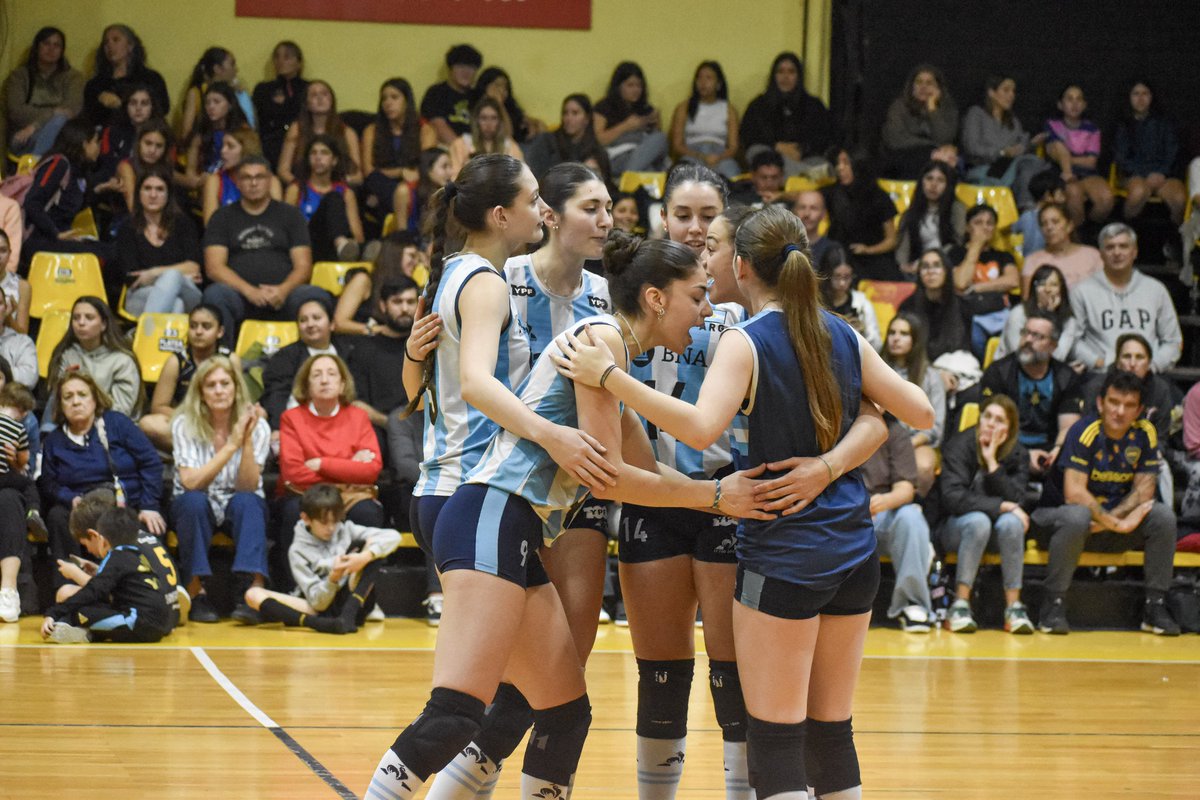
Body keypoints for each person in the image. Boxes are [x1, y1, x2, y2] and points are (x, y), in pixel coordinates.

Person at [366, 212, 770, 800]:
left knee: (564, 713)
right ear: (656, 299)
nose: (707, 311)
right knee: (455, 712)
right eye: (697, 296)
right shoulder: (602, 341)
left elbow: (642, 469)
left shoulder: (613, 355)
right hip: (488, 516)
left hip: (515, 529)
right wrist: (712, 494)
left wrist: (711, 496)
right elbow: (611, 481)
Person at [550, 204, 934, 800]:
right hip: (854, 552)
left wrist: (612, 378)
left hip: (784, 550)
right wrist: (830, 466)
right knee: (832, 733)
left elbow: (701, 431)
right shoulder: (842, 332)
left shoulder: (746, 340)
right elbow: (919, 412)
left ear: (742, 266)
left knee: (776, 740)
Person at [376, 154, 617, 798]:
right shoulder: (488, 280)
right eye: (538, 199)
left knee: (560, 710)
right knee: (457, 712)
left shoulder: (465, 272)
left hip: (495, 497)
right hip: (472, 491)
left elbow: (432, 384)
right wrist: (552, 433)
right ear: (501, 214)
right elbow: (470, 384)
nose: (543, 209)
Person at [1031, 370, 1180, 636]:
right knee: (1076, 516)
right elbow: (1073, 493)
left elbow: (1144, 492)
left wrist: (1111, 521)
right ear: (1101, 403)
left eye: (1129, 405)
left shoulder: (1145, 433)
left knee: (1162, 517)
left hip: (1104, 526)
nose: (1120, 411)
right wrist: (1112, 521)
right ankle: (1052, 606)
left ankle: (1155, 606)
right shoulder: (1083, 430)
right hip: (1058, 523)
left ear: (1140, 410)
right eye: (1114, 402)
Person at [38, 373, 164, 587]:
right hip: (80, 505)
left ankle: (155, 588)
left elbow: (151, 462)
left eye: (82, 395)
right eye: (67, 397)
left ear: (95, 399)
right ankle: (70, 588)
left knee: (148, 520)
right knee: (58, 516)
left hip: (123, 502)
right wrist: (72, 499)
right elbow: (48, 483)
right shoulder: (54, 441)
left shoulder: (117, 423)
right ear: (60, 405)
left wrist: (149, 505)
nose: (76, 401)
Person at [170, 356, 270, 624]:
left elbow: (248, 485)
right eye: (211, 385)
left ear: (236, 388)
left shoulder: (258, 425)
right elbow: (191, 482)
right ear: (200, 393)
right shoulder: (184, 424)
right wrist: (231, 445)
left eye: (225, 383)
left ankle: (248, 592)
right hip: (197, 498)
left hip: (236, 498)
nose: (219, 390)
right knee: (192, 502)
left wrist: (246, 441)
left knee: (249, 502)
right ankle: (196, 592)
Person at [277, 354, 384, 588]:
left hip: (352, 496)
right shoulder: (291, 418)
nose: (324, 380)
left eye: (331, 374)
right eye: (317, 375)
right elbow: (294, 473)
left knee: (368, 513)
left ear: (343, 384)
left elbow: (371, 471)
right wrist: (349, 465)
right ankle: (298, 588)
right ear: (306, 385)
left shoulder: (358, 416)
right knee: (291, 512)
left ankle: (362, 592)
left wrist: (322, 463)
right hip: (308, 495)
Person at [201, 155, 331, 348]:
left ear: (270, 181)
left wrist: (283, 290)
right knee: (215, 295)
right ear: (237, 182)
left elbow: (303, 266)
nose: (254, 183)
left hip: (284, 297)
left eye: (259, 177)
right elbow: (214, 267)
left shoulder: (291, 215)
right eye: (246, 178)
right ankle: (223, 362)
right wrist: (249, 291)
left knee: (315, 296)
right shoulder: (221, 218)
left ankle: (316, 362)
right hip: (239, 296)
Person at [937, 394, 1035, 634]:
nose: (991, 423)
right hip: (957, 529)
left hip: (998, 533)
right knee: (979, 521)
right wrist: (1001, 505)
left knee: (1012, 523)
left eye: (1000, 420)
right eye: (987, 416)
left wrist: (993, 464)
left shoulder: (1017, 453)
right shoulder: (959, 445)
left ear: (1010, 428)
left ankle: (1014, 607)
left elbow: (1020, 499)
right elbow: (953, 498)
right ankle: (959, 605)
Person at [244, 484, 400, 633]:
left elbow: (394, 536)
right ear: (306, 518)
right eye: (324, 522)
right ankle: (320, 625)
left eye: (335, 521)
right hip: (317, 605)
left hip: (350, 599)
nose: (331, 528)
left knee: (373, 546)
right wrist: (332, 579)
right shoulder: (298, 550)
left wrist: (364, 557)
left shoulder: (346, 529)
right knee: (253, 595)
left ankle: (348, 615)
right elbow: (318, 603)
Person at [41, 500, 180, 643]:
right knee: (94, 610)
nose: (88, 550)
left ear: (100, 538)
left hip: (141, 623)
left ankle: (69, 627)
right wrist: (99, 571)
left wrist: (54, 613)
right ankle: (87, 633)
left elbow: (94, 591)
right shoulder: (135, 553)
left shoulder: (116, 556)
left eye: (85, 545)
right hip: (162, 618)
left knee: (79, 612)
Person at [980, 309, 1084, 477]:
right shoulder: (998, 372)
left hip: (1050, 451)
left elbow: (1068, 427)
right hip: (1005, 448)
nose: (1028, 340)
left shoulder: (1066, 377)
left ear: (1053, 346)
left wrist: (1056, 451)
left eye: (1038, 336)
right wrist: (1023, 456)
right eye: (1025, 333)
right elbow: (990, 425)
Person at [1070, 223, 1181, 372]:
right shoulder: (1081, 291)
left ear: (1134, 252)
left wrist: (1152, 366)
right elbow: (1071, 339)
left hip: (1147, 376)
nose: (1117, 252)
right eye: (1110, 247)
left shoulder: (1156, 289)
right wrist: (1096, 362)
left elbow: (1173, 341)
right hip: (1101, 376)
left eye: (1123, 246)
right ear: (1101, 254)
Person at [862, 415, 935, 632]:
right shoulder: (838, 424)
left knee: (911, 517)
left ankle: (913, 604)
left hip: (882, 512)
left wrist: (882, 503)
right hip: (846, 509)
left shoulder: (896, 431)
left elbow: (905, 490)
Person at [139, 303, 238, 451]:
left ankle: (201, 451)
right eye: (193, 326)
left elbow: (239, 401)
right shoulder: (176, 361)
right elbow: (158, 407)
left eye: (206, 326)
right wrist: (193, 416)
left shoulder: (231, 359)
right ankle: (204, 451)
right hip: (188, 422)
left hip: (222, 423)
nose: (198, 332)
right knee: (148, 423)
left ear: (220, 332)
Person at [20, 117, 108, 272]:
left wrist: (101, 189)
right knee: (101, 255)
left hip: (60, 239)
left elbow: (72, 206)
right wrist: (56, 233)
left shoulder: (80, 172)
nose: (99, 148)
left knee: (112, 252)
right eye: (96, 142)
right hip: (38, 240)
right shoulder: (59, 164)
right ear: (84, 143)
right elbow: (32, 203)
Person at [113, 168, 203, 316]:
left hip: (188, 293)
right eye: (147, 188)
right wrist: (180, 274)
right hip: (141, 296)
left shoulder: (184, 224)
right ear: (139, 193)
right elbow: (132, 277)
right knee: (176, 304)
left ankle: (145, 334)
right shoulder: (127, 228)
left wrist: (154, 273)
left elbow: (194, 267)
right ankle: (157, 337)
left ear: (168, 195)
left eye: (160, 189)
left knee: (173, 277)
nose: (153, 195)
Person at [740, 51, 837, 179]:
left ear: (798, 76)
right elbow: (748, 135)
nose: (785, 77)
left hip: (804, 159)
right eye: (780, 72)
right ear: (774, 76)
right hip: (771, 159)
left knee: (824, 165)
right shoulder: (759, 105)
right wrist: (777, 146)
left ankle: (798, 176)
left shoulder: (813, 105)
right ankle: (807, 176)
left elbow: (824, 136)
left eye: (791, 72)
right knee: (756, 153)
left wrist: (801, 150)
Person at [260, 297, 353, 429]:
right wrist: (277, 428)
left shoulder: (347, 352)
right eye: (303, 320)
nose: (310, 324)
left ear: (332, 324)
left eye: (316, 318)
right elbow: (276, 396)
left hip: (342, 425)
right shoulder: (285, 356)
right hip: (298, 427)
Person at [46, 296, 143, 419]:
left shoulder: (122, 361)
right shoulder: (67, 355)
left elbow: (120, 412)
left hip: (111, 427)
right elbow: (59, 402)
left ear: (103, 324)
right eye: (76, 318)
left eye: (89, 317)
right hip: (71, 422)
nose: (81, 322)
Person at [346, 276, 418, 441]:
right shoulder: (363, 349)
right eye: (397, 302)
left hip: (424, 431)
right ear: (383, 305)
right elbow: (357, 404)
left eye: (410, 301)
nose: (405, 308)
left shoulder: (427, 346)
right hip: (379, 431)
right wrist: (390, 423)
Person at [880, 312, 945, 496]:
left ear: (915, 339)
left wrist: (907, 444)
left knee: (924, 465)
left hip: (916, 441)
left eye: (904, 334)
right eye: (892, 332)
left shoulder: (932, 377)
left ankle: (914, 509)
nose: (896, 338)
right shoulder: (876, 370)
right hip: (879, 439)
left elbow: (936, 427)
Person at [961, 75, 1045, 210]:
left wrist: (1030, 145)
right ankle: (1025, 204)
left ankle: (1025, 204)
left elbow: (1019, 148)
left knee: (1032, 161)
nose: (1011, 95)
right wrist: (1001, 152)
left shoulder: (1013, 122)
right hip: (984, 170)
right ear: (992, 93)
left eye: (1013, 91)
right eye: (1006, 90)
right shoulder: (976, 114)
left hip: (1009, 170)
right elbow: (972, 147)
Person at [946, 204, 1019, 355]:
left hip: (999, 313)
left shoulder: (1003, 256)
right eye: (978, 222)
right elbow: (960, 283)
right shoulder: (956, 253)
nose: (985, 227)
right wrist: (975, 247)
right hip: (969, 315)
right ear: (967, 227)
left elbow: (1012, 280)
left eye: (989, 223)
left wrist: (976, 288)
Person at [1113, 80, 1187, 226]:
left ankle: (1175, 239)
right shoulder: (1122, 125)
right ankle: (1125, 231)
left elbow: (1173, 152)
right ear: (1129, 97)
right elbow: (1121, 157)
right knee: (1138, 193)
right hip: (1134, 175)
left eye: (1145, 94)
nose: (1141, 98)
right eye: (1136, 94)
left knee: (1179, 198)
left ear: (1152, 97)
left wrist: (1161, 173)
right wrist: (1145, 174)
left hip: (1163, 176)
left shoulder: (1165, 123)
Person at [285, 134, 367, 262]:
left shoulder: (346, 192)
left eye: (324, 153)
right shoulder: (296, 189)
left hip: (338, 250)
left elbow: (357, 234)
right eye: (313, 153)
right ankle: (349, 247)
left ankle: (348, 247)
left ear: (334, 160)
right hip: (309, 245)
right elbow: (286, 228)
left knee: (335, 198)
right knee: (333, 198)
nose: (318, 157)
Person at [5, 26, 83, 157]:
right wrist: (53, 112)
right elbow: (16, 111)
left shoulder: (73, 77)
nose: (51, 49)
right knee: (58, 118)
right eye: (46, 43)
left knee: (60, 120)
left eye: (56, 45)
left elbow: (71, 110)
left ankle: (34, 166)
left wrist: (36, 125)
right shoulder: (20, 76)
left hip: (59, 136)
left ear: (62, 50)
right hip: (24, 137)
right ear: (37, 47)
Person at [822, 148, 898, 281]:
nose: (840, 168)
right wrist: (780, 194)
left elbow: (891, 240)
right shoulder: (833, 192)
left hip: (874, 257)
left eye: (846, 163)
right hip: (841, 256)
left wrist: (868, 250)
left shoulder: (879, 197)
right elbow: (806, 196)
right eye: (838, 163)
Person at [1044, 85, 1114, 227]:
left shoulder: (1092, 129)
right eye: (1069, 99)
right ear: (1060, 104)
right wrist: (1068, 166)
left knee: (1106, 199)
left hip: (1088, 174)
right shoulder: (1053, 125)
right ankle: (1076, 235)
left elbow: (1091, 162)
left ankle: (1090, 230)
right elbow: (1054, 150)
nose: (1074, 104)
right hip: (1062, 174)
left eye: (1078, 99)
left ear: (1084, 105)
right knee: (1074, 193)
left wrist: (1068, 158)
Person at [334, 231, 425, 335]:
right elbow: (339, 323)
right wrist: (379, 330)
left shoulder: (410, 288)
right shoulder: (363, 280)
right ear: (395, 254)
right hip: (359, 344)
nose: (416, 263)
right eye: (412, 256)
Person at [880, 64, 959, 179]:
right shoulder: (899, 106)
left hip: (938, 161)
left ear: (938, 88)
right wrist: (932, 151)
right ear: (912, 86)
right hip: (903, 159)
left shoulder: (947, 109)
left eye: (929, 83)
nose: (923, 87)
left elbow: (944, 138)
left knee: (951, 161)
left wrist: (932, 107)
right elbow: (895, 139)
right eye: (919, 82)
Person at [278, 80, 362, 186]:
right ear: (306, 104)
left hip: (338, 188)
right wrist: (301, 187)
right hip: (303, 188)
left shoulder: (347, 132)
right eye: (314, 95)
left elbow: (358, 176)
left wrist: (336, 185)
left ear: (332, 100)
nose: (320, 98)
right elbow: (283, 170)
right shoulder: (296, 129)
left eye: (324, 94)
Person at [83, 24, 169, 128]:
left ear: (130, 46)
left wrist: (122, 105)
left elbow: (163, 108)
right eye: (106, 42)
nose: (110, 45)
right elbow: (90, 116)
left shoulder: (150, 78)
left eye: (116, 40)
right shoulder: (95, 84)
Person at [593, 61, 668, 176]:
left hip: (641, 155)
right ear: (618, 86)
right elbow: (598, 140)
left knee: (660, 138)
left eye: (639, 85)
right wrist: (626, 126)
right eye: (630, 85)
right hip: (617, 157)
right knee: (649, 170)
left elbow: (654, 144)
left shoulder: (646, 109)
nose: (636, 90)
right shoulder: (604, 107)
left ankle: (629, 181)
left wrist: (657, 122)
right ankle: (629, 177)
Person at [361, 78, 421, 220]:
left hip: (413, 184)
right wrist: (401, 172)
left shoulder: (424, 130)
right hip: (381, 183)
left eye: (394, 97)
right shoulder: (372, 130)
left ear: (407, 101)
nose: (388, 103)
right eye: (384, 99)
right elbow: (369, 171)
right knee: (375, 180)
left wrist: (408, 177)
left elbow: (427, 166)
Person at [898, 248, 973, 360]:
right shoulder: (907, 307)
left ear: (946, 271)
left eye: (937, 265)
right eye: (925, 267)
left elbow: (964, 347)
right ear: (919, 273)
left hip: (953, 365)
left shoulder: (963, 306)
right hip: (917, 367)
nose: (931, 272)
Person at [669, 60, 741, 179]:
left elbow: (733, 147)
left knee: (732, 176)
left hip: (720, 154)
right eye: (699, 78)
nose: (703, 83)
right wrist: (701, 156)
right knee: (682, 176)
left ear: (718, 84)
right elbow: (677, 145)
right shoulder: (684, 107)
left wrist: (718, 157)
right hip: (692, 153)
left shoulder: (728, 109)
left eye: (708, 78)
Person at [996, 263, 1081, 363]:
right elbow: (1022, 357)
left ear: (1061, 290)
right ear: (1034, 288)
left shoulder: (1069, 320)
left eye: (1054, 285)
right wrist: (1048, 316)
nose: (1047, 289)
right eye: (1042, 284)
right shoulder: (1019, 314)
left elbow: (1059, 357)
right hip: (1011, 371)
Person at [894, 160, 966, 272]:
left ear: (948, 185)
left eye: (940, 180)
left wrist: (925, 263)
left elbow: (957, 244)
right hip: (917, 268)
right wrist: (902, 266)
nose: (933, 185)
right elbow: (903, 248)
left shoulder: (957, 209)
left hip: (948, 265)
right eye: (929, 178)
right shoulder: (910, 214)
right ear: (921, 182)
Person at [1019, 202, 1103, 295]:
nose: (1049, 227)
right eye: (1044, 224)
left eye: (1055, 222)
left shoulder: (1092, 255)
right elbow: (1028, 302)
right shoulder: (1032, 261)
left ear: (1069, 226)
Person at [180, 82, 251, 192]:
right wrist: (201, 180)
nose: (211, 107)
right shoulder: (200, 134)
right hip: (206, 185)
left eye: (217, 102)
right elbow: (190, 172)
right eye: (207, 103)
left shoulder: (242, 131)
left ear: (230, 104)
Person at [201, 127, 280, 225]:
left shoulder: (271, 182)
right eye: (223, 146)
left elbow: (279, 223)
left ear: (246, 150)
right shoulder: (215, 181)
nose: (223, 151)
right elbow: (210, 225)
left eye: (230, 146)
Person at [179, 47, 254, 142]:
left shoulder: (237, 92)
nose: (236, 69)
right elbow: (186, 133)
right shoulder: (196, 93)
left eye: (217, 101)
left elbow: (248, 126)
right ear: (217, 69)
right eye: (232, 64)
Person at [252, 41, 308, 170]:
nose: (281, 61)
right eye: (277, 57)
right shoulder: (263, 89)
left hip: (299, 143)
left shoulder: (308, 88)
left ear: (298, 63)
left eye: (287, 57)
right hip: (270, 144)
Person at [818, 245, 881, 351]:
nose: (842, 283)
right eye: (837, 276)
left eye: (847, 277)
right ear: (826, 275)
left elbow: (875, 342)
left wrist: (859, 337)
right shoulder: (816, 302)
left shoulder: (861, 304)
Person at [524, 93, 600, 181]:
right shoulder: (546, 141)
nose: (568, 118)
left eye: (575, 113)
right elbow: (534, 176)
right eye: (565, 113)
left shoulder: (596, 150)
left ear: (587, 119)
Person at [420, 44, 483, 146]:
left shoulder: (479, 96)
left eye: (471, 67)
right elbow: (438, 126)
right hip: (445, 148)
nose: (466, 72)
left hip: (477, 151)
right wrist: (462, 151)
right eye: (461, 66)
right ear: (450, 68)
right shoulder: (436, 93)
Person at [448, 96, 524, 179]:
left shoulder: (510, 146)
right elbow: (454, 176)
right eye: (484, 118)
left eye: (494, 118)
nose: (488, 124)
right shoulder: (462, 144)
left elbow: (520, 177)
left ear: (500, 122)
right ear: (476, 121)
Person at [470, 66, 544, 145]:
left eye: (505, 87)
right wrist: (499, 104)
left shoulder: (510, 106)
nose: (502, 90)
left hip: (521, 146)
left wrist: (533, 123)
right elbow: (507, 137)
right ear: (485, 86)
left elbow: (523, 120)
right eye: (497, 85)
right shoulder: (478, 107)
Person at [114, 117, 173, 214]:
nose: (152, 150)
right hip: (128, 222)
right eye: (148, 143)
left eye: (158, 146)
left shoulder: (166, 168)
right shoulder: (126, 167)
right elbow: (134, 209)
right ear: (139, 143)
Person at [1011, 169, 1067, 257]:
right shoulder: (1031, 218)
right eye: (1061, 194)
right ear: (1048, 196)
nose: (1064, 199)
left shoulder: (1026, 215)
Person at [0, 272, 37, 389]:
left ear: (6, 309)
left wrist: (3, 372)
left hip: (10, 402)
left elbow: (30, 378)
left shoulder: (22, 342)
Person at [792, 189, 834, 268]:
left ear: (823, 214)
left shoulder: (833, 251)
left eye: (813, 208)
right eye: (802, 207)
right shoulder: (780, 249)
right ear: (794, 212)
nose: (807, 214)